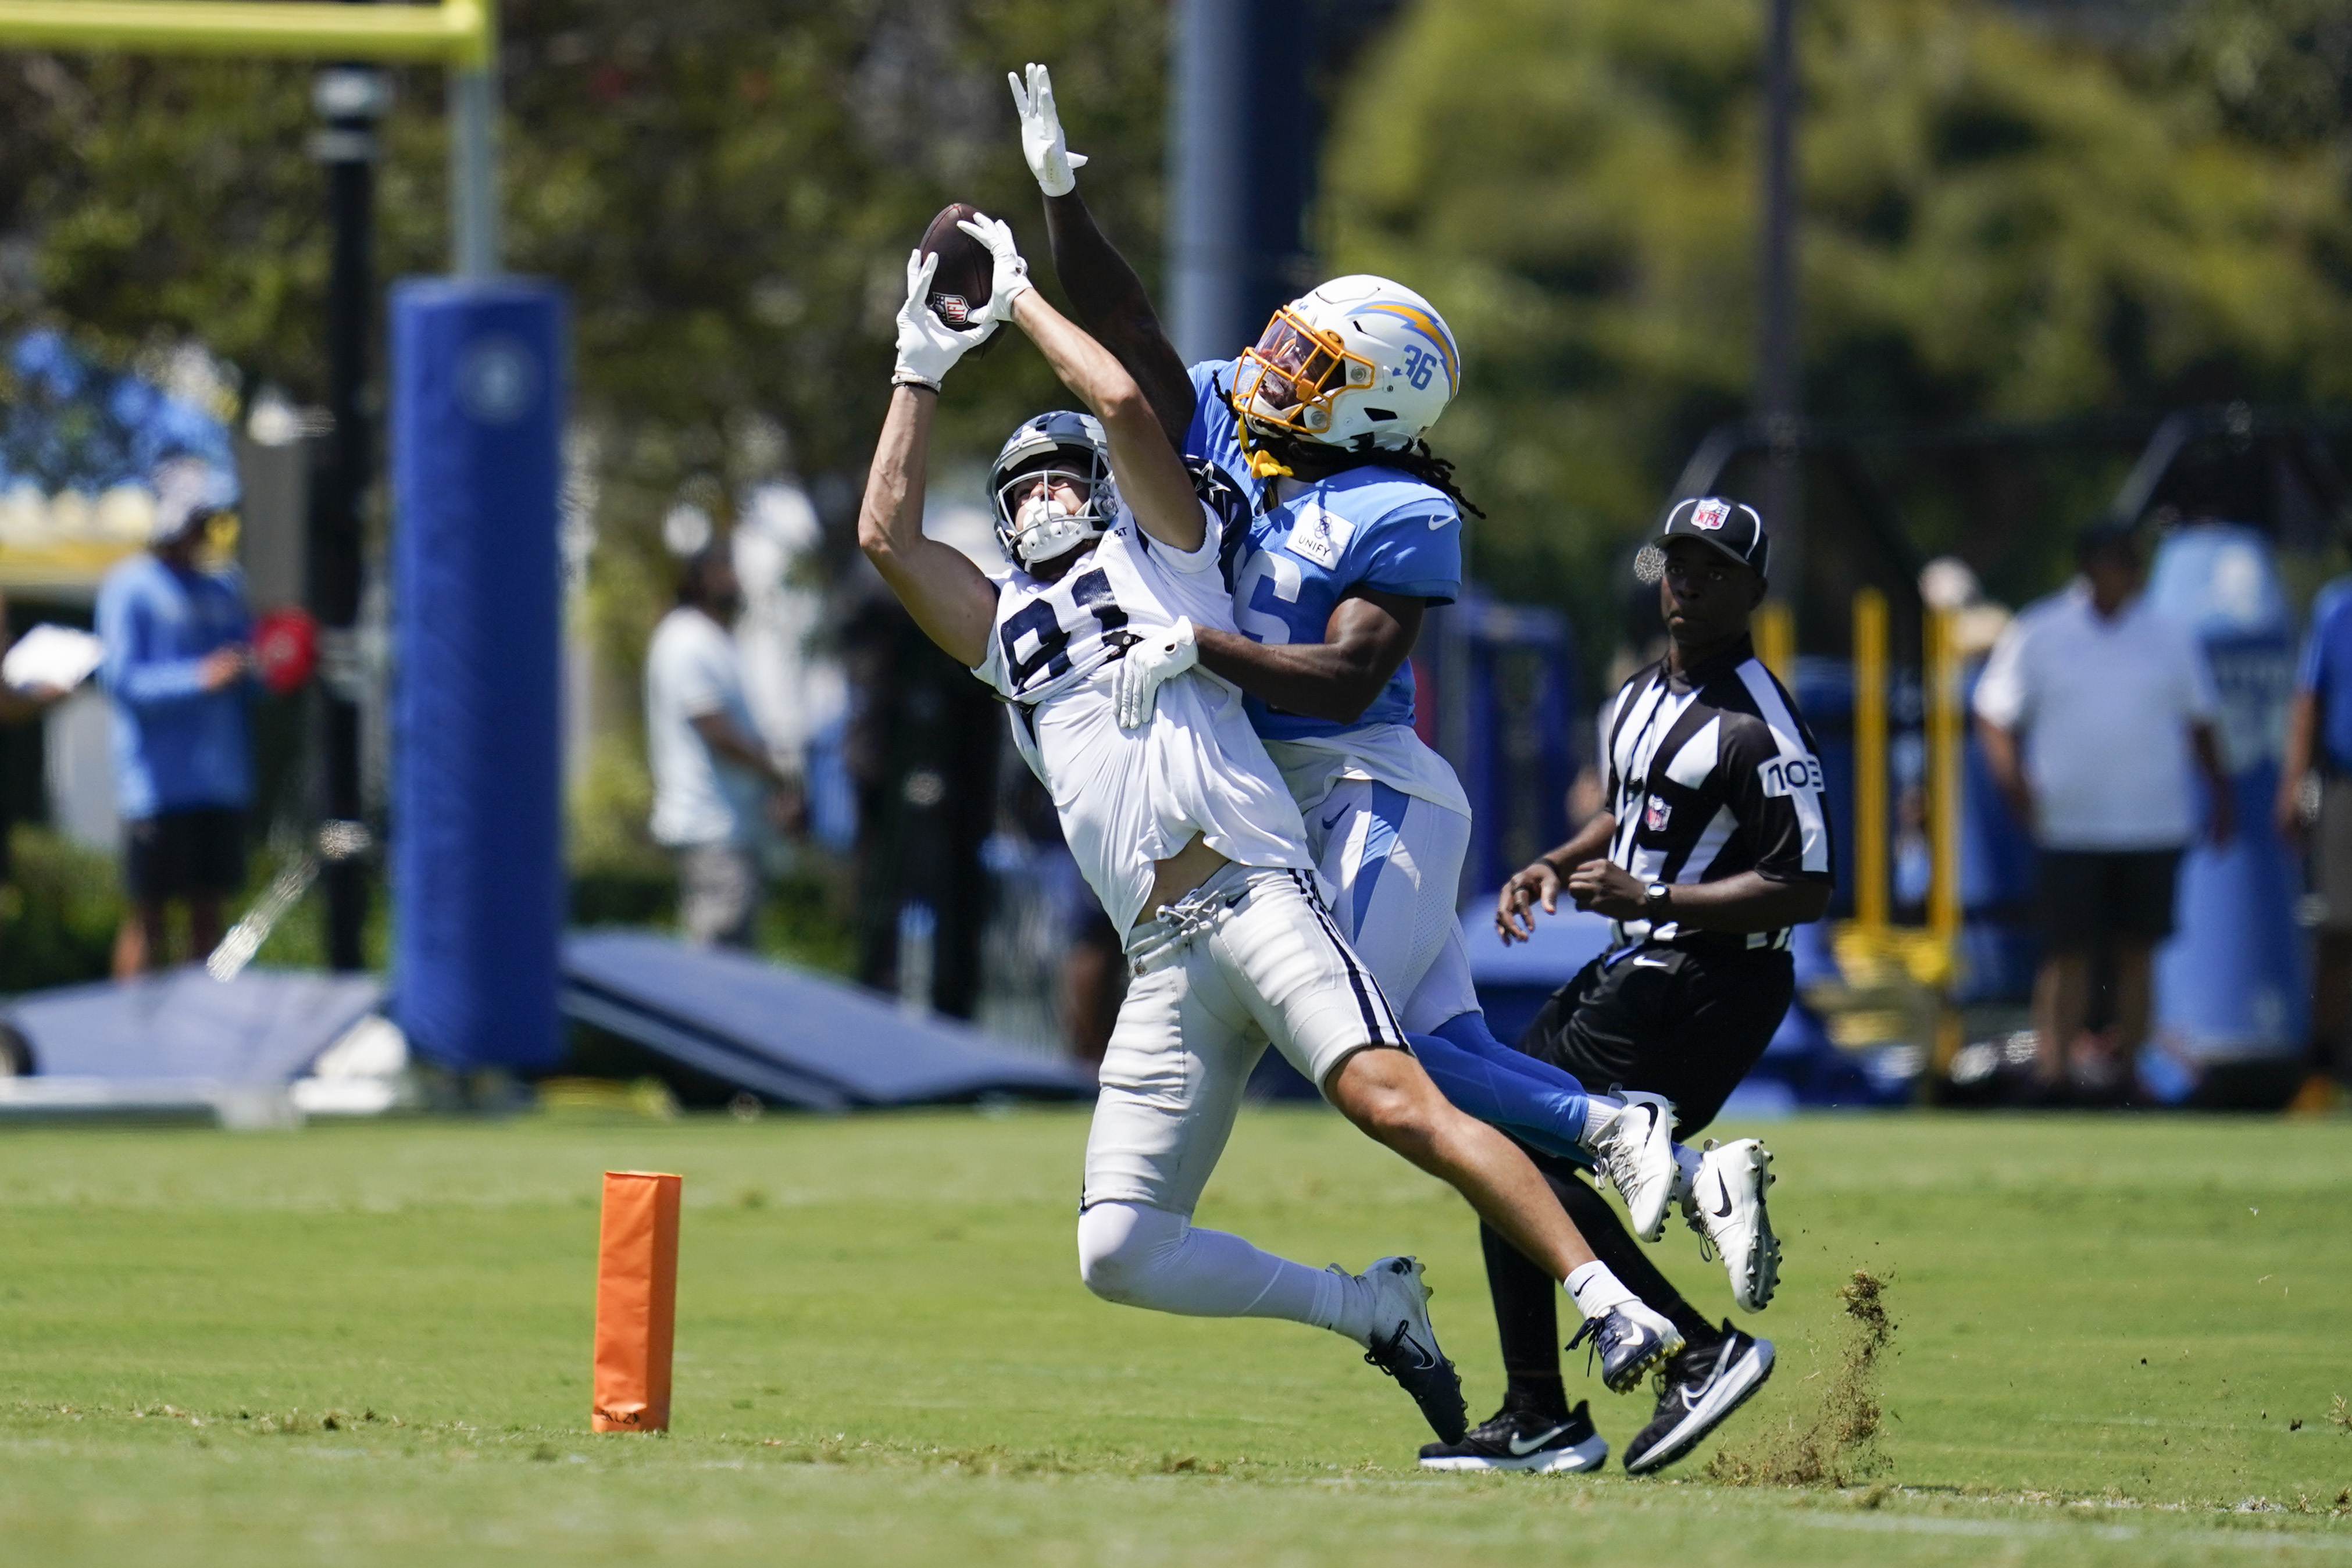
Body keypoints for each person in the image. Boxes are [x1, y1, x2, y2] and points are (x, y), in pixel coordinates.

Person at [862, 211, 1688, 1442]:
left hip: (1255, 891)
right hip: (1161, 956)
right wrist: (919, 366)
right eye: (1019, 481)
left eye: (1059, 472)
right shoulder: (1004, 629)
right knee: (1118, 1248)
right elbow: (885, 536)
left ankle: (1610, 1301)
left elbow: (1133, 408)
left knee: (1394, 1096)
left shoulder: (1175, 561)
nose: (1041, 494)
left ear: (1106, 493)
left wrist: (1018, 301)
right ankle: (1371, 1311)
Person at [1011, 59, 1691, 1221]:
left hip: (1372, 789)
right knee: (1427, 1053)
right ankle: (1634, 1237)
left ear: (1374, 403)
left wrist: (1196, 646)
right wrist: (1063, 204)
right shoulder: (1231, 411)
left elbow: (1347, 680)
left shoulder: (1398, 510)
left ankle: (1616, 1128)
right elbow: (1126, 329)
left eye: (1311, 367)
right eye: (1285, 344)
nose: (1273, 368)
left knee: (1364, 1052)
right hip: (1281, 800)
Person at [1463, 501, 1832, 1475]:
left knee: (1505, 1146)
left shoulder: (1759, 727)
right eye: (1678, 563)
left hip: (1712, 980)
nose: (1689, 584)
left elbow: (1808, 881)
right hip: (1640, 967)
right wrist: (1553, 862)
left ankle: (1693, 1347)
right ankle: (1542, 1407)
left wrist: (1654, 893)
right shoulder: (1633, 697)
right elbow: (1628, 820)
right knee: (1497, 1150)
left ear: (1755, 590)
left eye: (1714, 569)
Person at [1975, 521, 2232, 1100]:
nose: (2126, 575)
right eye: (2116, 561)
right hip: (2070, 824)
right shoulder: (2041, 630)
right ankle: (2056, 1072)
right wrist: (2013, 783)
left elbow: (2201, 720)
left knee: (2138, 950)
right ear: (2089, 567)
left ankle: (2131, 1074)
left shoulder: (2168, 634)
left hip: (2152, 821)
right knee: (2067, 952)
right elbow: (1993, 711)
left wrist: (2221, 795)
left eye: (2131, 564)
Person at [97, 467, 254, 977]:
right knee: (149, 917)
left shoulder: (226, 586)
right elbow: (121, 682)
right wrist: (199, 677)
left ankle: (201, 1042)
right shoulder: (129, 587)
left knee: (209, 914)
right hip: (158, 788)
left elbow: (251, 673)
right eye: (198, 519)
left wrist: (267, 664)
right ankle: (128, 1046)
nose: (205, 531)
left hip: (221, 783)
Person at [645, 543, 802, 948]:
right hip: (710, 824)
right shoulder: (687, 638)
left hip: (731, 825)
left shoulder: (715, 638)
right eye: (723, 571)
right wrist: (776, 772)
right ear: (697, 579)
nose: (734, 581)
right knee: (717, 960)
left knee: (734, 957)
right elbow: (715, 730)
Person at [2280, 569, 2352, 1103]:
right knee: (2338, 928)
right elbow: (2309, 702)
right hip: (2344, 785)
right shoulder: (2337, 607)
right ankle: (2322, 1068)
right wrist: (2294, 782)